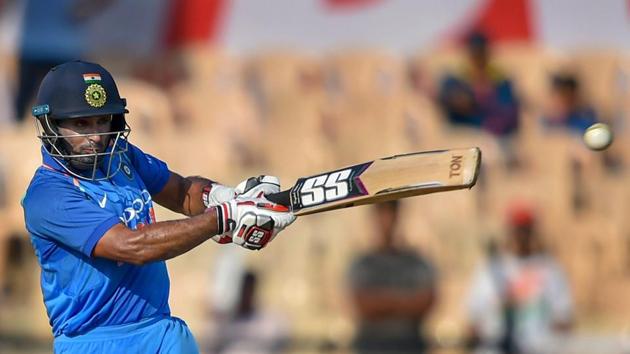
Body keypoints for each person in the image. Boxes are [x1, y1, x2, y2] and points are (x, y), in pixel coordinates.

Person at [21, 60, 296, 353]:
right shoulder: (49, 195)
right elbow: (131, 247)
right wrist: (223, 218)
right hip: (97, 341)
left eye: (102, 121)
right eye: (81, 124)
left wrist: (223, 196)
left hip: (162, 332)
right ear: (51, 124)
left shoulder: (121, 155)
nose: (97, 137)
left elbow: (181, 193)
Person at [465, 203, 573, 354]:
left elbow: (564, 318)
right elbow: (473, 318)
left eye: (525, 230)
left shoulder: (549, 269)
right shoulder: (490, 269)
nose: (521, 235)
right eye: (517, 230)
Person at [347, 200, 437, 354]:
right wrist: (405, 302)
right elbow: (363, 306)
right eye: (382, 213)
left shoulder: (416, 262)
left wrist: (383, 302)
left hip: (409, 346)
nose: (387, 220)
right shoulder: (363, 263)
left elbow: (426, 301)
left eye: (391, 212)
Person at [438, 31, 520, 138]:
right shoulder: (456, 80)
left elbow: (509, 114)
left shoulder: (501, 81)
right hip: (462, 135)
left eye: (480, 53)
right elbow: (447, 102)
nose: (478, 58)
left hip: (494, 137)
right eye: (475, 53)